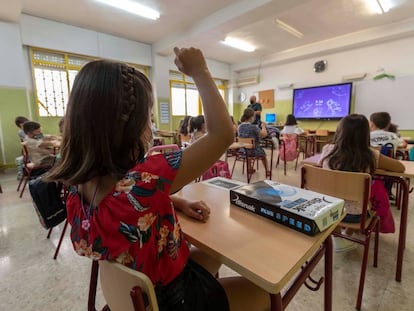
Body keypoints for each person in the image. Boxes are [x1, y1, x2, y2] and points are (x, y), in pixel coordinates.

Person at [45, 47, 269, 311]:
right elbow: (222, 135)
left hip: (134, 293)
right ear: (127, 126)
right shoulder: (146, 178)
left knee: (213, 252)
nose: (150, 125)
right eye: (148, 117)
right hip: (174, 300)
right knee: (265, 293)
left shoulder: (74, 185)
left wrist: (174, 201)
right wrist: (200, 71)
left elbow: (124, 206)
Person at [319, 114, 404, 249]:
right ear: (366, 133)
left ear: (340, 131)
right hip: (356, 216)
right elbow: (401, 167)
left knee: (338, 197)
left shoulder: (327, 150)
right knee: (361, 202)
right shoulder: (370, 155)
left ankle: (337, 236)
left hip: (327, 211)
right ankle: (347, 234)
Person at [238, 108, 270, 178]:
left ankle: (249, 168)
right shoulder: (253, 127)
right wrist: (263, 126)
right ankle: (267, 170)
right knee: (263, 154)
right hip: (253, 151)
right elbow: (264, 134)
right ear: (252, 117)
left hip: (242, 150)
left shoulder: (239, 127)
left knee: (248, 149)